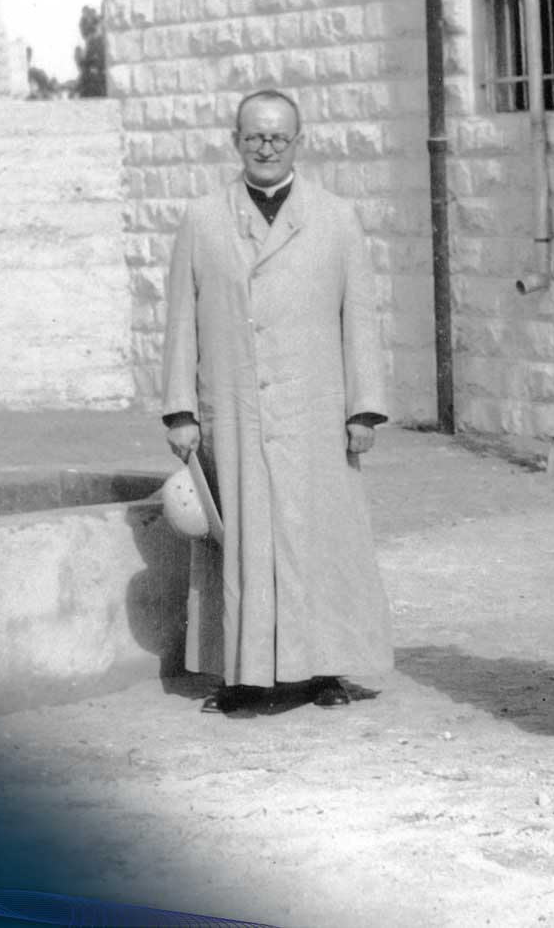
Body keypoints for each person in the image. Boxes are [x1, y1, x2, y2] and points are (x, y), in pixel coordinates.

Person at [161, 88, 391, 715]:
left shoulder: (335, 217)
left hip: (314, 410)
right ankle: (242, 677)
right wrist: (180, 410)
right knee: (241, 542)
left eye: (278, 137)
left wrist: (363, 408)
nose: (266, 146)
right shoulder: (203, 218)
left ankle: (323, 670)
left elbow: (361, 318)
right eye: (254, 136)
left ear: (299, 141)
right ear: (236, 140)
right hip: (233, 410)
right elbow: (181, 321)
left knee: (317, 540)